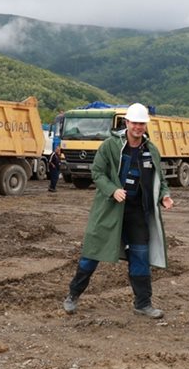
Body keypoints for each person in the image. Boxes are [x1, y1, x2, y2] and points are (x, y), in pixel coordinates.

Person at [62, 103, 174, 318]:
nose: (138, 127)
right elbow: (97, 173)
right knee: (91, 254)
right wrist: (112, 190)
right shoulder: (110, 146)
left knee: (140, 257)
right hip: (109, 211)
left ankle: (143, 304)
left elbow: (160, 179)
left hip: (138, 213)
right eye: (135, 123)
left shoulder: (151, 150)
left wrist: (164, 196)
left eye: (142, 123)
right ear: (127, 123)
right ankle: (72, 296)